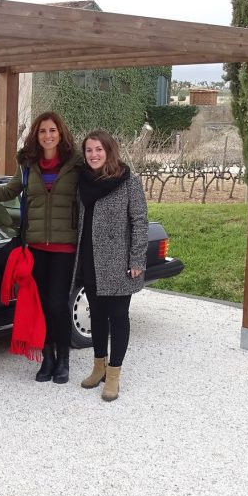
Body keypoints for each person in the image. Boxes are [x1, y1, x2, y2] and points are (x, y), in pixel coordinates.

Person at [0, 111, 81, 384]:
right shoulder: (27, 165)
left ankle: (63, 359)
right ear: (36, 134)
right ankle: (47, 358)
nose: (47, 135)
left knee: (58, 304)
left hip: (64, 247)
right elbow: (7, 192)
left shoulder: (75, 164)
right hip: (35, 246)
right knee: (42, 303)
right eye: (42, 131)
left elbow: (92, 191)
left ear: (61, 133)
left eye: (52, 130)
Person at [74, 130, 148, 401]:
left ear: (109, 151)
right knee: (97, 315)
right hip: (90, 259)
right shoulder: (82, 181)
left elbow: (140, 221)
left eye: (98, 150)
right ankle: (98, 367)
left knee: (118, 317)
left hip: (118, 262)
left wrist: (137, 258)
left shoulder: (128, 180)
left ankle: (114, 375)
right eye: (89, 150)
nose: (93, 155)